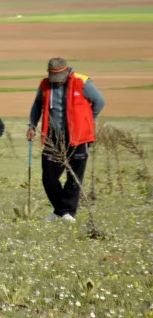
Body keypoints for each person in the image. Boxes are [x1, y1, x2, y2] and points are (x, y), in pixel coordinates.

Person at [27, 58, 105, 223]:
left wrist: (88, 121)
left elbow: (99, 101)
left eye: (58, 76)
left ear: (66, 71)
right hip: (53, 137)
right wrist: (32, 126)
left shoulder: (82, 82)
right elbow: (37, 105)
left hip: (79, 136)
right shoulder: (45, 85)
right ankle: (60, 211)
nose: (55, 80)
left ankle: (68, 213)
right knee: (49, 176)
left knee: (74, 176)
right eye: (52, 76)